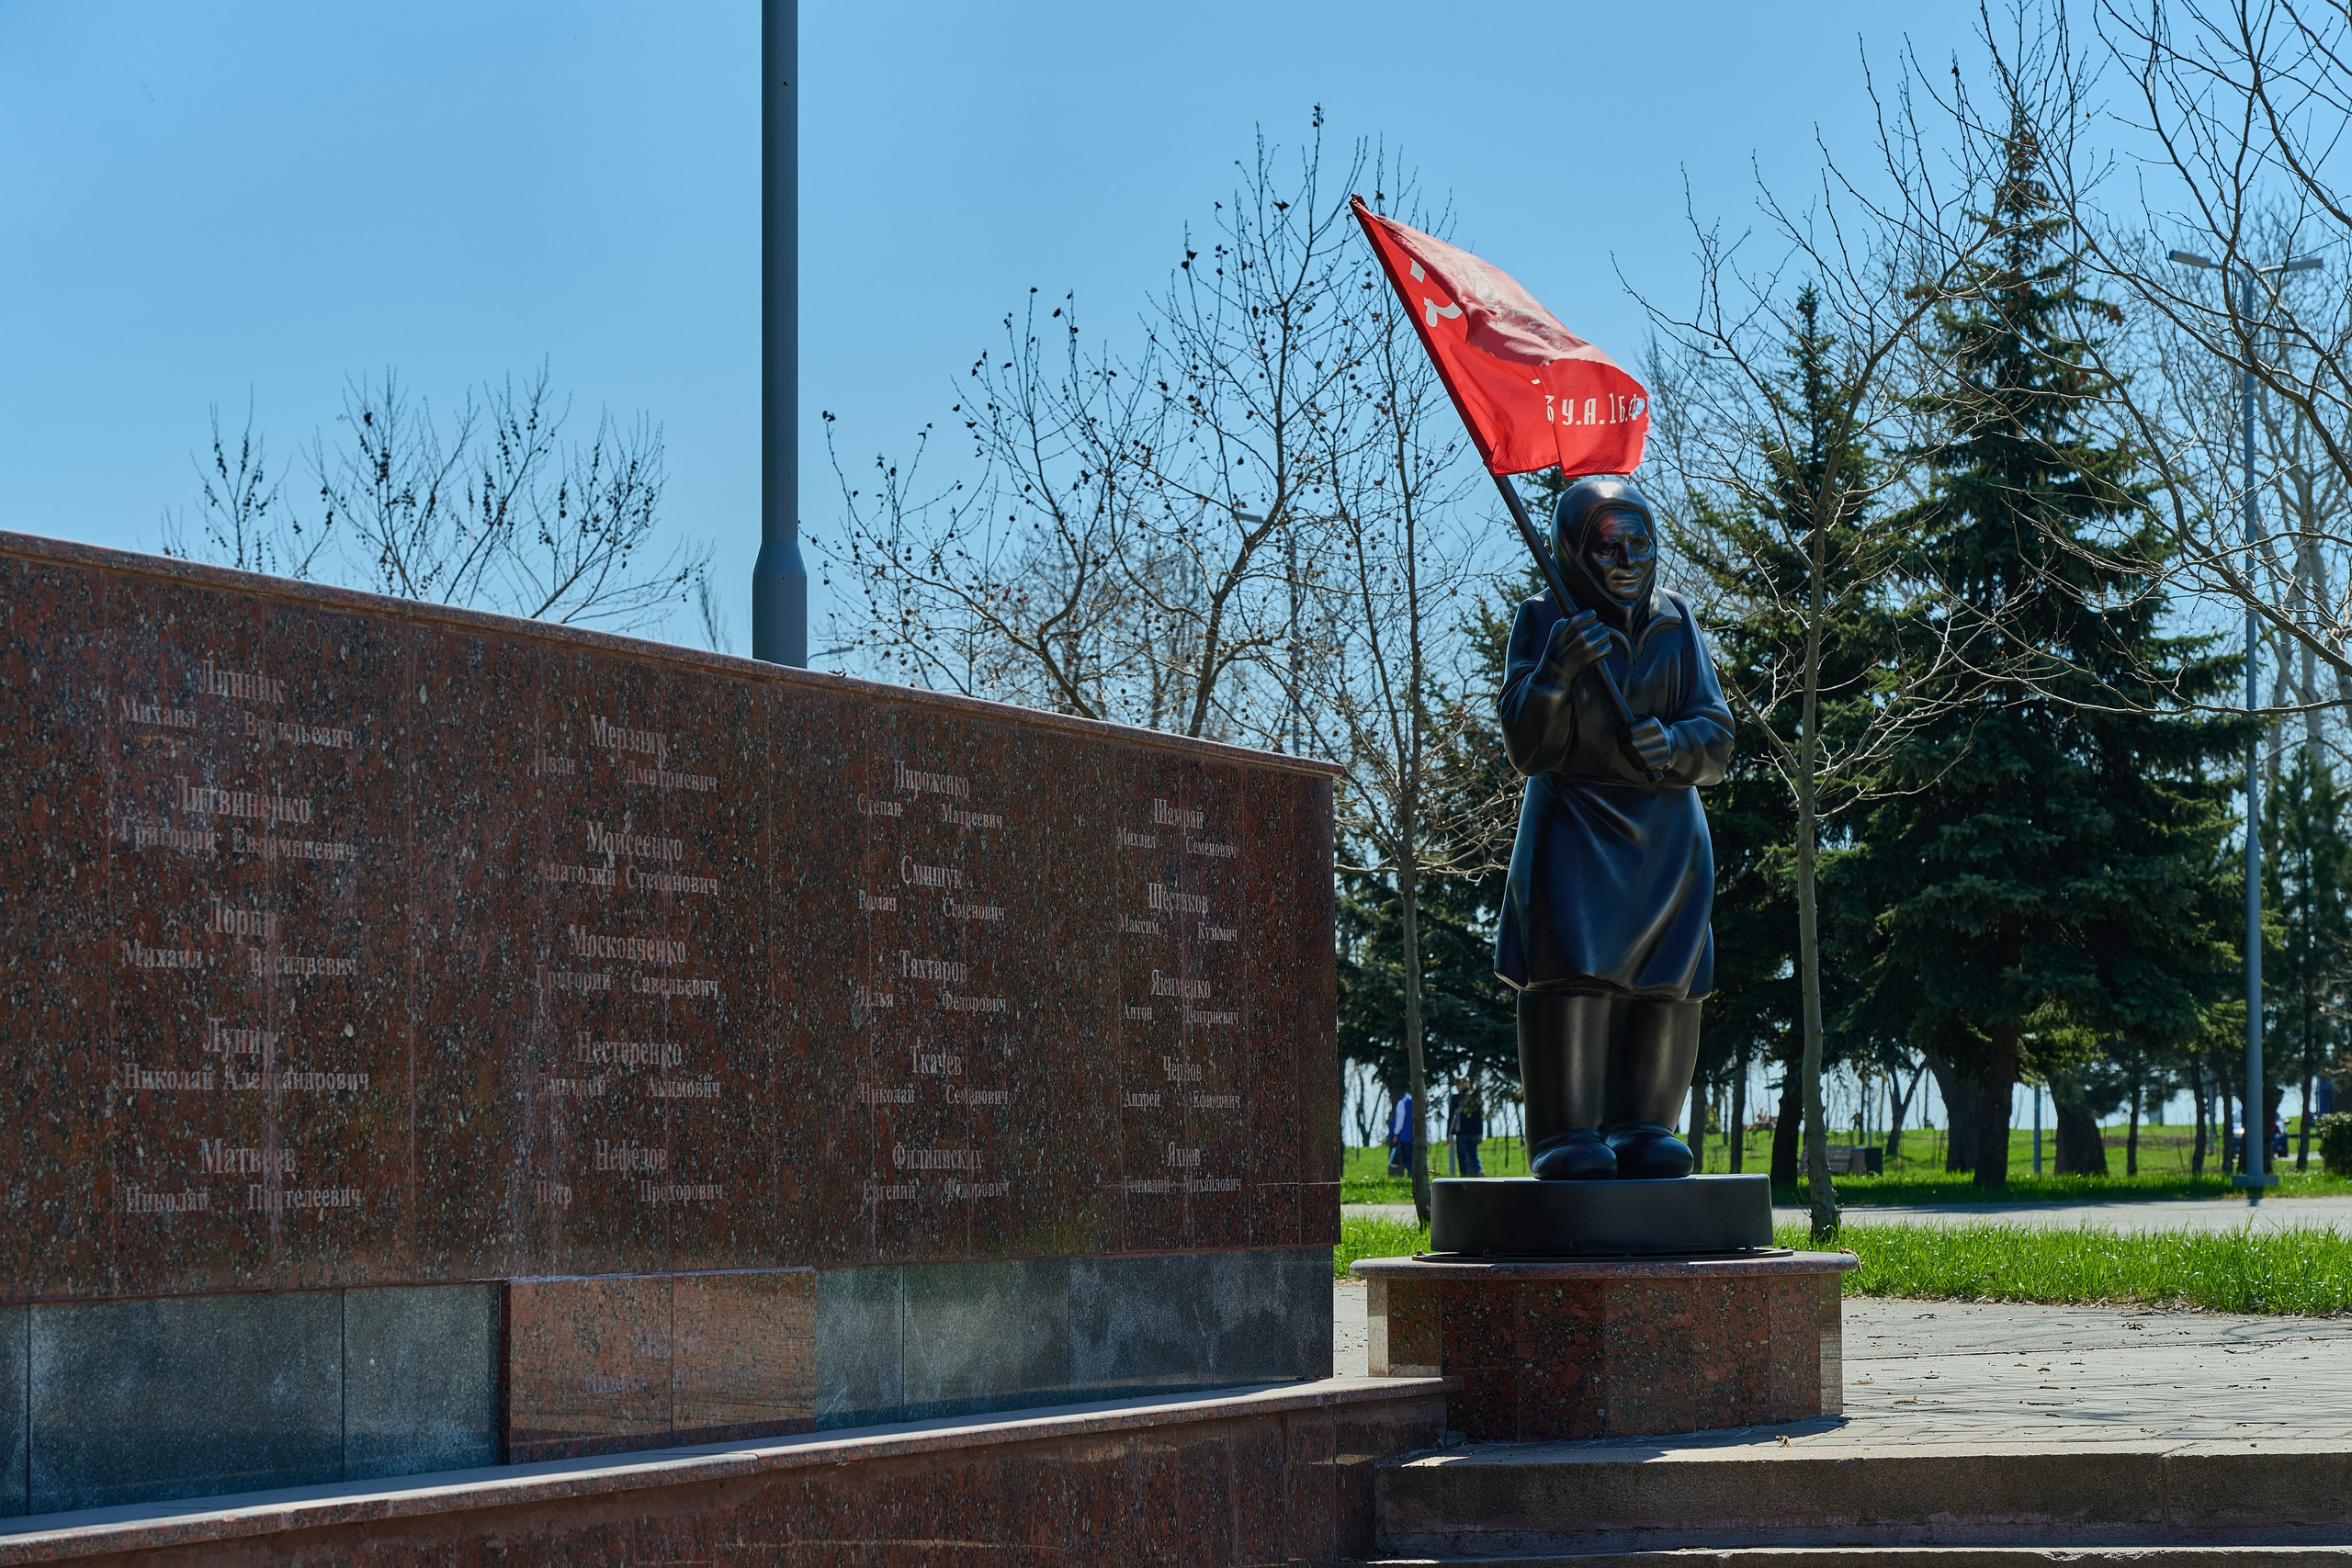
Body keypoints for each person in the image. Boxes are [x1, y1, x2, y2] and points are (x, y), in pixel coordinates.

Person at [1494, 477, 1735, 1180]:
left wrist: (1676, 741)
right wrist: (1556, 672)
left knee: (1669, 979)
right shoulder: (1545, 618)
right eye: (1607, 548)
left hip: (1667, 837)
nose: (1628, 560)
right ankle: (1567, 1130)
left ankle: (1646, 1122)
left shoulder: (1677, 621)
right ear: (1573, 553)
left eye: (1640, 543)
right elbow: (1527, 746)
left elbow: (1716, 733)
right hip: (1577, 827)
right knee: (1574, 970)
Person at [1448, 1077, 1486, 1177]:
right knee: (1473, 1154)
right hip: (1474, 1132)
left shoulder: (1456, 1098)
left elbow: (1452, 1117)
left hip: (1461, 1132)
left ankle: (1464, 1176)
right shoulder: (1475, 1097)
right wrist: (1480, 1134)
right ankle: (1478, 1170)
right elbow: (1480, 1117)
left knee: (1462, 1157)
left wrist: (1449, 1134)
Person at [1385, 1091, 1415, 1178]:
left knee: (1407, 1159)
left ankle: (1411, 1176)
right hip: (1415, 1137)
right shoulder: (1417, 1104)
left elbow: (1399, 1120)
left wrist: (1395, 1134)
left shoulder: (1403, 1103)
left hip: (1405, 1137)